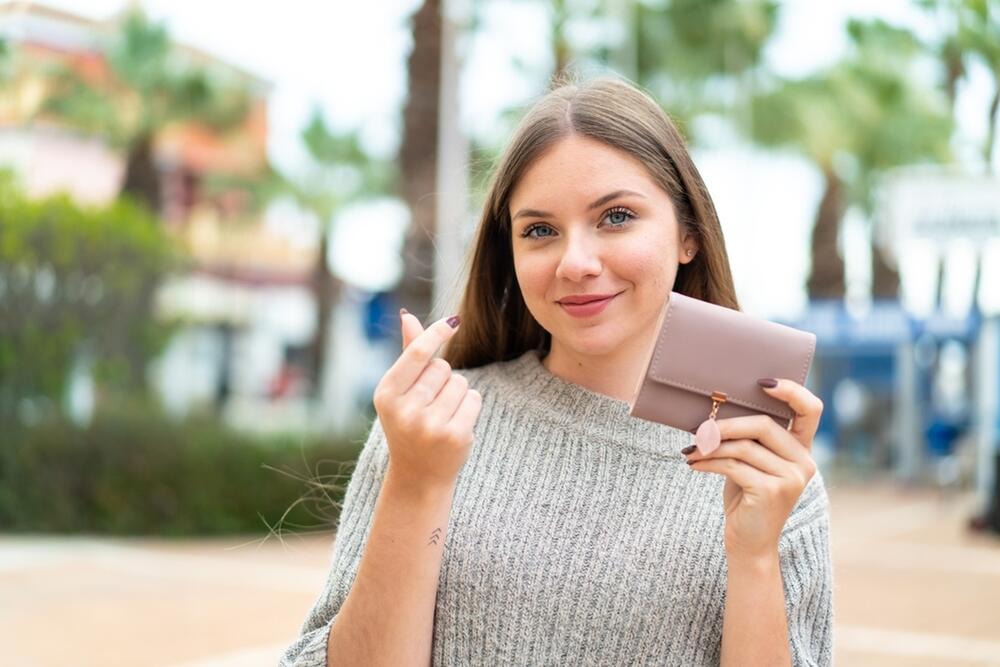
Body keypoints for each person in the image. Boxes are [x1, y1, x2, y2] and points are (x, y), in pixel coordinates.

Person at [279, 76, 833, 666]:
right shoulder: (431, 425)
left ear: (688, 235)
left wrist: (753, 555)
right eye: (539, 230)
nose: (576, 262)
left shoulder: (767, 466)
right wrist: (417, 483)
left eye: (616, 217)